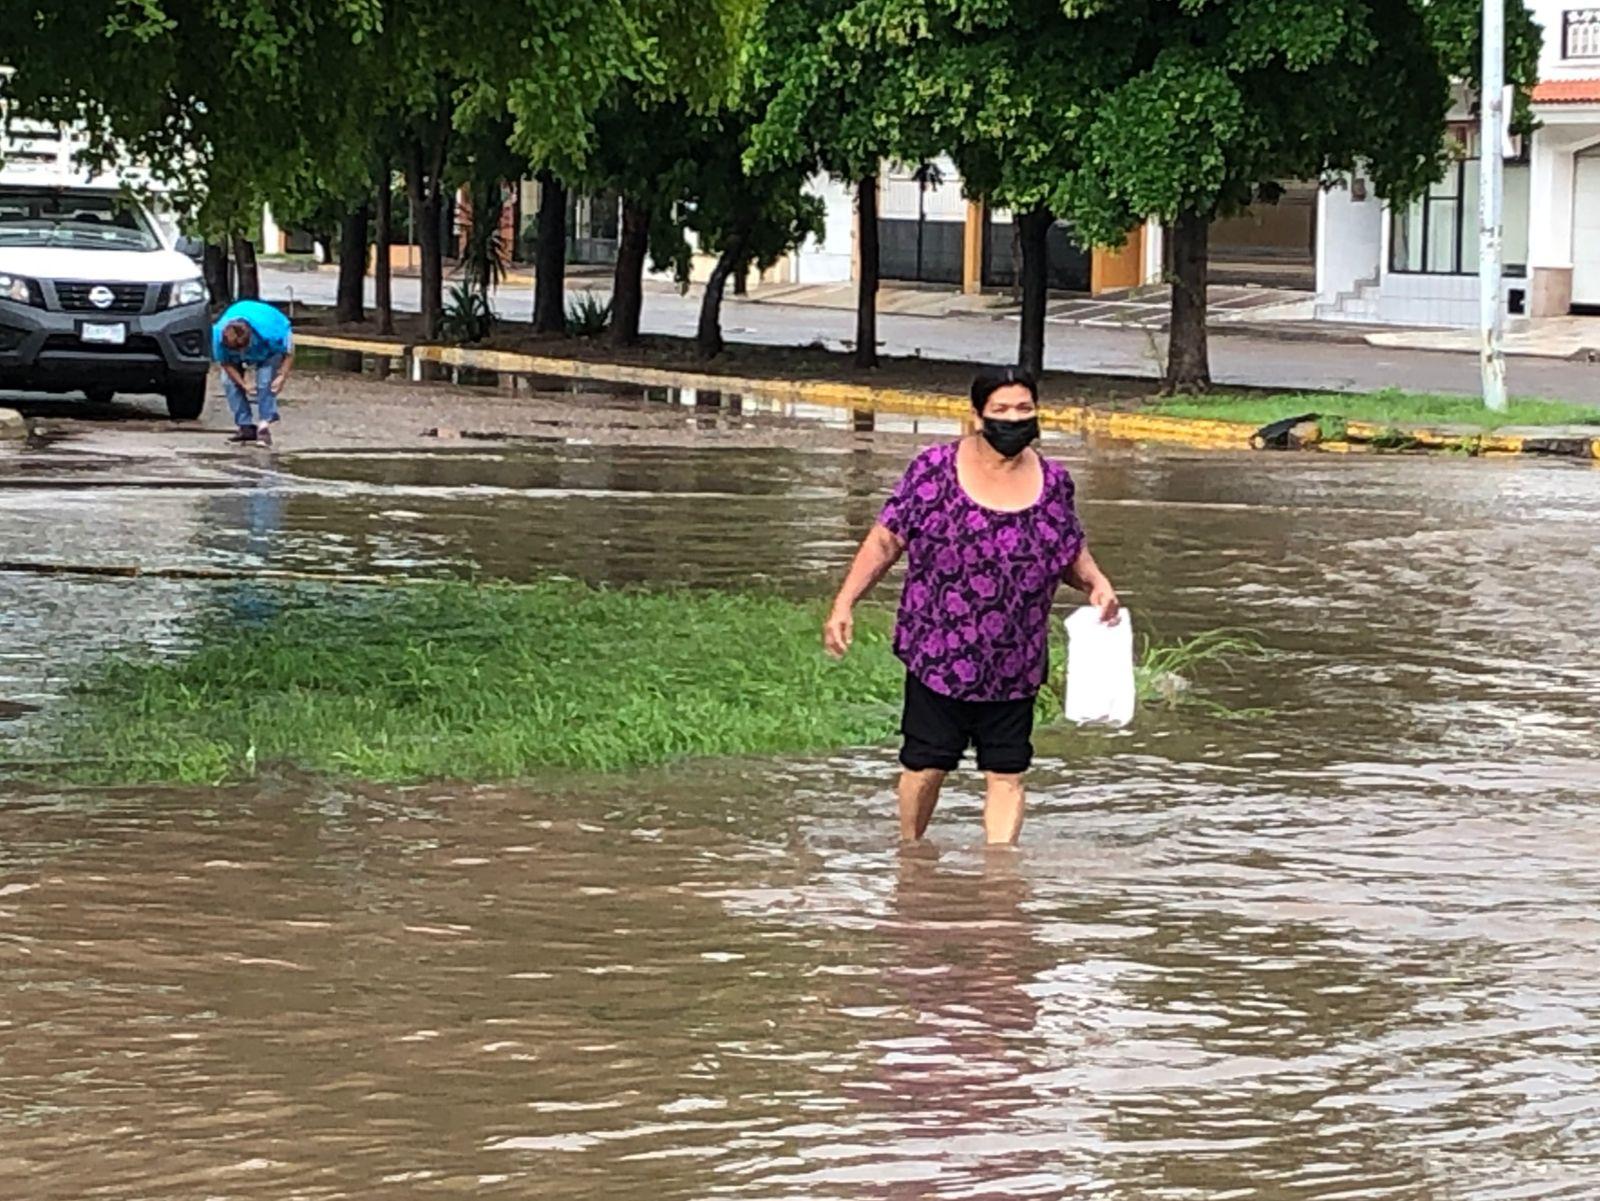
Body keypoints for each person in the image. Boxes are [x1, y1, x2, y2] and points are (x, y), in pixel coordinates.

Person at [823, 367, 1119, 846]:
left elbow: (1068, 550)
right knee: (926, 764)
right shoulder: (935, 470)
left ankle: (1000, 880)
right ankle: (910, 855)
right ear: (978, 414)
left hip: (1015, 657)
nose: (1013, 419)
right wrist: (844, 604)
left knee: (1007, 770)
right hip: (940, 650)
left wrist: (1096, 583)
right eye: (1001, 410)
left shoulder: (1055, 482)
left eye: (1024, 409)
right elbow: (885, 540)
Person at [212, 299, 294, 447]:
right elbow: (226, 363)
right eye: (236, 349)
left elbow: (288, 352)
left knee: (265, 382)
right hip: (237, 350)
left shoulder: (270, 333)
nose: (242, 352)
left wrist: (282, 375)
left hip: (267, 350)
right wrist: (244, 384)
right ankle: (245, 426)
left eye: (243, 347)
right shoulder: (217, 336)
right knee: (229, 382)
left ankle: (264, 425)